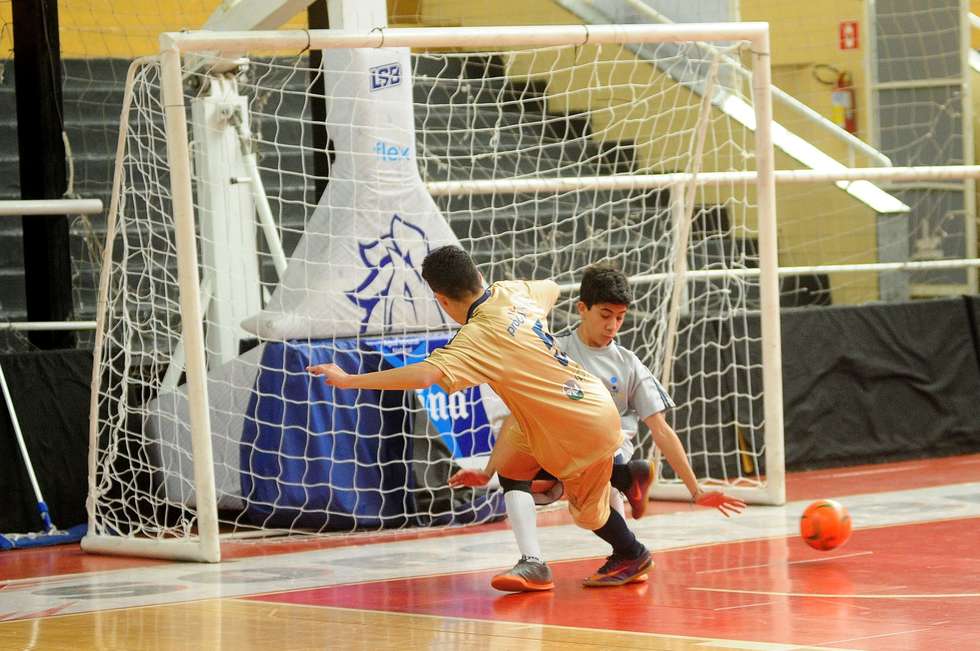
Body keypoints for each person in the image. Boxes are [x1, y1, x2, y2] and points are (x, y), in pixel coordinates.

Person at [310, 246, 660, 587]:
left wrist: (347, 380)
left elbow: (423, 376)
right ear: (479, 275)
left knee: (587, 514)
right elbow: (551, 287)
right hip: (588, 398)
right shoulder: (512, 292)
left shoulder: (474, 339)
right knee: (513, 465)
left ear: (442, 300)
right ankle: (539, 558)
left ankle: (631, 549)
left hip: (575, 425)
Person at [488, 263, 745, 592]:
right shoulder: (554, 351)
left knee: (585, 513)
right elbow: (522, 413)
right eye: (605, 315)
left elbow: (661, 429)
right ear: (582, 309)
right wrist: (488, 470)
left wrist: (696, 491)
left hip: (607, 451)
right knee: (516, 472)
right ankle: (555, 549)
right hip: (561, 449)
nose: (613, 326)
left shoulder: (628, 363)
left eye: (620, 317)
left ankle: (623, 489)